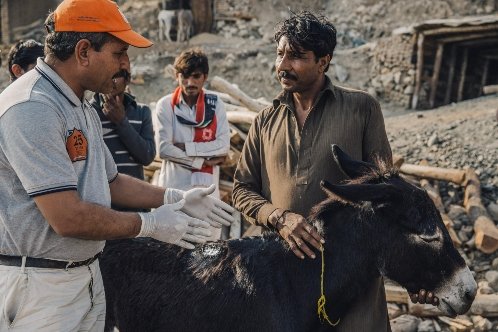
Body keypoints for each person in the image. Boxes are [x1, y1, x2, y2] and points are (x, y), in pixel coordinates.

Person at [0, 0, 235, 330]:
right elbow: (67, 217)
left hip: (84, 275)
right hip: (41, 287)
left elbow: (112, 182)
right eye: (119, 53)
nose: (126, 64)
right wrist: (149, 225)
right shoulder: (32, 107)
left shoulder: (80, 105)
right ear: (84, 51)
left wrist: (175, 198)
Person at [232, 11, 435, 331]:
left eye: (297, 56)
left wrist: (415, 273)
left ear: (324, 61)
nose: (283, 65)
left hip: (353, 279)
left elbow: (387, 196)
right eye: (280, 54)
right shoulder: (264, 121)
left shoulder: (361, 109)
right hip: (285, 279)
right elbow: (242, 189)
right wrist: (279, 218)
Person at [155, 48, 231, 240]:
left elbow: (223, 146)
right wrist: (200, 161)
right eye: (185, 76)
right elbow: (164, 149)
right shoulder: (165, 105)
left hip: (207, 192)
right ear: (176, 76)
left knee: (207, 249)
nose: (190, 83)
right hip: (174, 190)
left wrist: (186, 147)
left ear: (205, 77)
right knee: (172, 249)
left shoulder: (215, 104)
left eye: (196, 76)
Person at [90, 66, 155, 211]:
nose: (109, 80)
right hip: (103, 207)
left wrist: (121, 122)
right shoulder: (88, 113)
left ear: (127, 80)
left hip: (137, 206)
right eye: (104, 74)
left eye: (115, 76)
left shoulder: (142, 112)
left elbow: (147, 156)